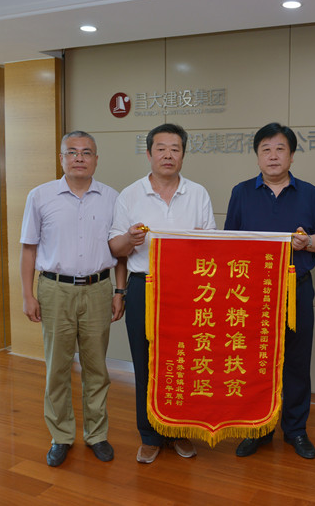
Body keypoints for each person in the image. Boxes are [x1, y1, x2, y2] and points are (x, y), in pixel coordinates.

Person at [108, 123, 216, 464]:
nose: (168, 155)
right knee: (146, 362)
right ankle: (150, 435)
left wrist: (200, 242)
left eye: (175, 149)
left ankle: (180, 431)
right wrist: (129, 239)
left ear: (183, 154)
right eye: (161, 148)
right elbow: (115, 248)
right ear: (149, 153)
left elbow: (213, 245)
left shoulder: (198, 193)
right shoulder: (130, 195)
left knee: (183, 361)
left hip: (188, 290)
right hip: (145, 286)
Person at [224, 122, 315, 459]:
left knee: (296, 362)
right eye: (266, 150)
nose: (273, 156)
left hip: (296, 290)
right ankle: (258, 428)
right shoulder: (241, 192)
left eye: (280, 149)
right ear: (257, 156)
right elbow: (229, 242)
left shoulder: (311, 194)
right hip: (252, 293)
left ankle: (295, 430)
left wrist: (307, 242)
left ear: (292, 155)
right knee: (256, 361)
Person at [20, 130, 127, 468]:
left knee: (97, 368)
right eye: (72, 152)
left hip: (98, 289)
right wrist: (28, 294)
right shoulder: (40, 196)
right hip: (54, 290)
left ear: (96, 159)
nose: (79, 158)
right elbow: (28, 249)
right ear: (61, 158)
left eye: (86, 152)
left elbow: (120, 252)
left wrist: (119, 291)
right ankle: (61, 436)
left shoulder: (112, 198)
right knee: (57, 368)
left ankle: (97, 434)